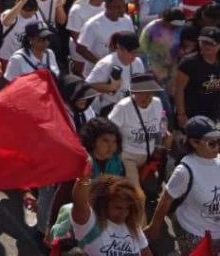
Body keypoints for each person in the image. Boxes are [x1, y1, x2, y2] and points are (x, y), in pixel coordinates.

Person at [146, 115, 220, 254]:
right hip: (195, 234)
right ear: (195, 143)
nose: (217, 147)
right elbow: (166, 199)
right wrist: (155, 226)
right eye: (212, 143)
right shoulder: (185, 170)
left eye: (219, 141)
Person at [69, 171, 149, 256]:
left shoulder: (133, 228)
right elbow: (79, 200)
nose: (124, 213)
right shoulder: (90, 223)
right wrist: (85, 175)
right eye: (118, 208)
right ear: (103, 204)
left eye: (128, 208)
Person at [174, 25, 220, 126]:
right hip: (193, 116)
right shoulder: (189, 63)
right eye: (204, 42)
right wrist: (181, 114)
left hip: (215, 115)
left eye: (211, 43)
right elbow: (179, 89)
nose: (206, 46)